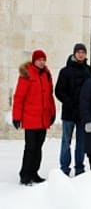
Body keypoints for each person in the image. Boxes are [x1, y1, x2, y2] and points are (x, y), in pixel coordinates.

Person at [12, 49, 56, 185]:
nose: (42, 62)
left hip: (43, 118)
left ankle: (34, 173)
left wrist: (52, 113)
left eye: (43, 60)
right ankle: (25, 175)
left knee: (38, 147)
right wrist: (16, 117)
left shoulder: (46, 74)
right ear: (34, 60)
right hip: (30, 118)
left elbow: (49, 96)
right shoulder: (26, 74)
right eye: (39, 60)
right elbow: (19, 97)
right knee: (30, 147)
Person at [55, 43, 91, 176]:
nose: (81, 54)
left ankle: (80, 168)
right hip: (69, 112)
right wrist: (69, 102)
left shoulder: (89, 71)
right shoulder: (65, 71)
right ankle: (64, 168)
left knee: (81, 142)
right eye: (78, 52)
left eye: (83, 52)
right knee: (66, 141)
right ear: (74, 53)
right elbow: (59, 91)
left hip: (83, 113)